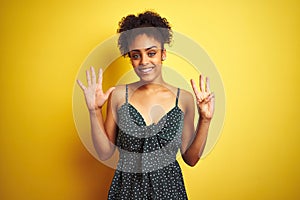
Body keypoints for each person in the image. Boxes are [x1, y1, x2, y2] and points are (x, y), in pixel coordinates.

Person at [77, 11, 215, 200]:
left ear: (163, 54)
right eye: (136, 55)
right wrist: (94, 111)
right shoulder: (118, 95)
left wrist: (206, 120)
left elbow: (190, 159)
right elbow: (104, 152)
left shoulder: (184, 99)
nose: (144, 62)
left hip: (170, 191)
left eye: (151, 53)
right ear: (130, 57)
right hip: (127, 191)